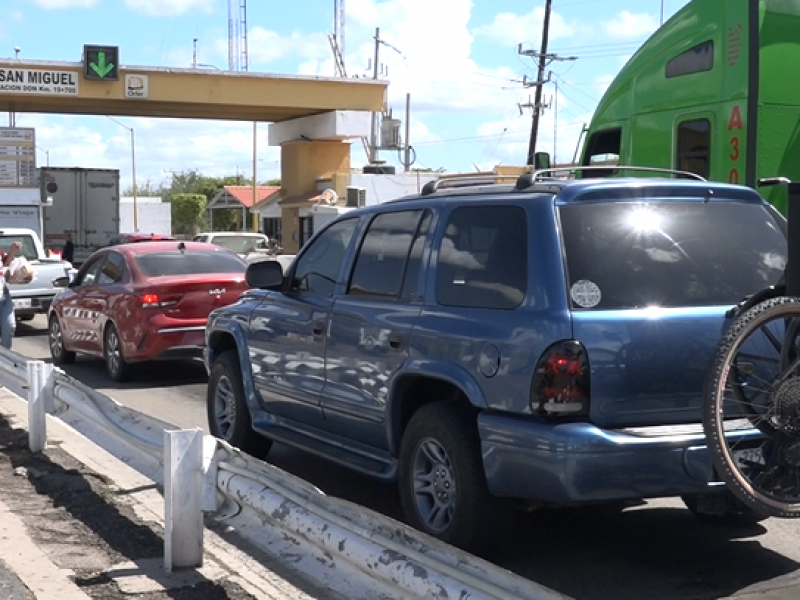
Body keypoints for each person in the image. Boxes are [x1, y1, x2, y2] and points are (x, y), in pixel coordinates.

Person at [0, 241, 22, 349]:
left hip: (3, 297)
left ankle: (5, 357)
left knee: (9, 325)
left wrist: (12, 250)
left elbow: (5, 262)